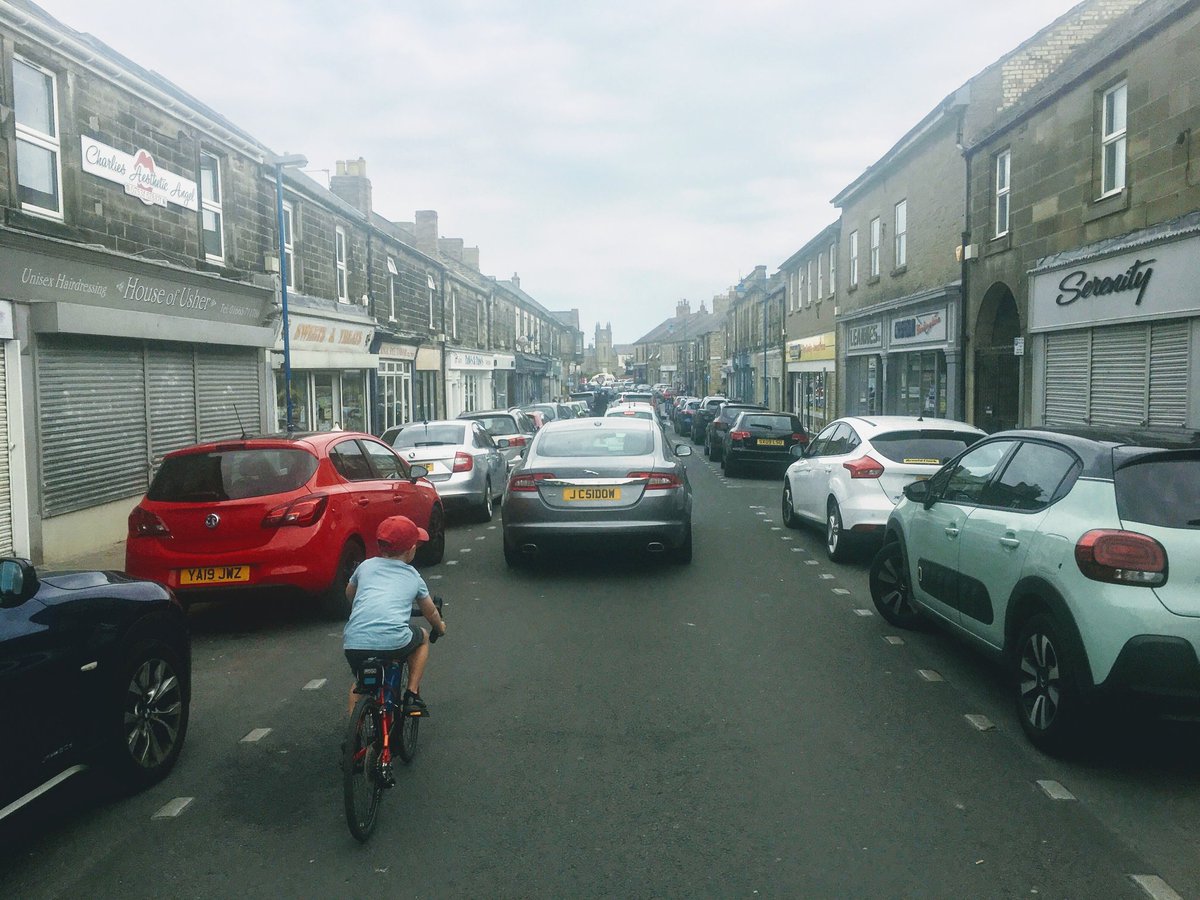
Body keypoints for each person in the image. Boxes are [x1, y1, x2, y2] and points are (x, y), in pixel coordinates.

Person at [343, 515, 447, 719]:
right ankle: (411, 694)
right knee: (422, 637)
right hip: (394, 640)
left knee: (359, 684)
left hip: (354, 641)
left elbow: (349, 593)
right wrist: (440, 627)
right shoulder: (412, 576)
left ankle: (353, 733)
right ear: (410, 551)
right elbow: (430, 611)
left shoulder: (365, 566)